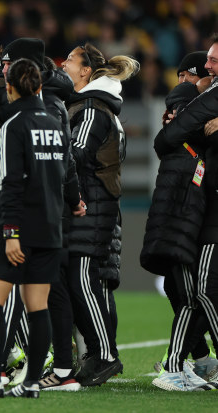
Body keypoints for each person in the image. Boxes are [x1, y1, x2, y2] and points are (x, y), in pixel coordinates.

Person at [0, 58, 68, 399]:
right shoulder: (56, 121)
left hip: (15, 228)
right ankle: (32, 382)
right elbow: (68, 173)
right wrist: (75, 200)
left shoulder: (12, 124)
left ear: (10, 89)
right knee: (38, 306)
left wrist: (10, 233)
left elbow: (11, 183)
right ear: (38, 86)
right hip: (49, 228)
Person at [61, 43, 139, 386]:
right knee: (94, 282)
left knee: (82, 279)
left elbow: (75, 156)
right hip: (96, 203)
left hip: (89, 204)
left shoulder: (91, 108)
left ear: (85, 72)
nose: (63, 64)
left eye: (70, 60)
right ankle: (99, 353)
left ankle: (104, 354)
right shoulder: (96, 106)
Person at [148, 36, 218, 391]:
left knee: (197, 294)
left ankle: (193, 363)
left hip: (196, 209)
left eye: (212, 62)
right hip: (194, 211)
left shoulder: (204, 99)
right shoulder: (195, 99)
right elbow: (165, 141)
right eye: (204, 65)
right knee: (196, 293)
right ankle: (186, 364)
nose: (207, 70)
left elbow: (165, 140)